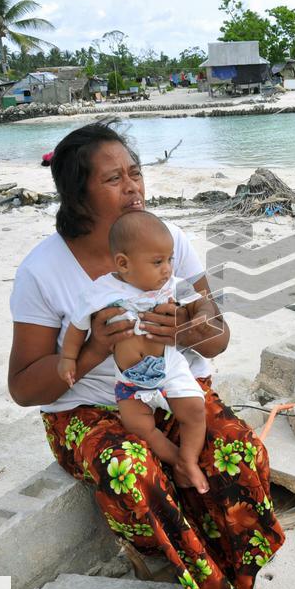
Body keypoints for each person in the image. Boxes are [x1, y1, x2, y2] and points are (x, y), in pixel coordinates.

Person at [8, 119, 284, 589]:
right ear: (77, 196)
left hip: (170, 391)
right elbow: (23, 387)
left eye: (135, 172)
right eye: (113, 179)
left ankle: (236, 566)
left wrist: (189, 330)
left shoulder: (166, 241)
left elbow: (217, 338)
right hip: (87, 410)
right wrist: (93, 350)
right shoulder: (43, 270)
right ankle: (188, 569)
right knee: (130, 469)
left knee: (236, 450)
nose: (133, 186)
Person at [58, 211, 210, 494]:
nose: (167, 269)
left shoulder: (171, 284)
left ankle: (189, 458)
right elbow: (78, 326)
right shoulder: (102, 291)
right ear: (123, 263)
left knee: (194, 410)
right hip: (129, 379)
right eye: (158, 262)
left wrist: (199, 316)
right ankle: (178, 462)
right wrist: (68, 358)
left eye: (170, 259)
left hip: (169, 366)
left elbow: (201, 302)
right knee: (139, 426)